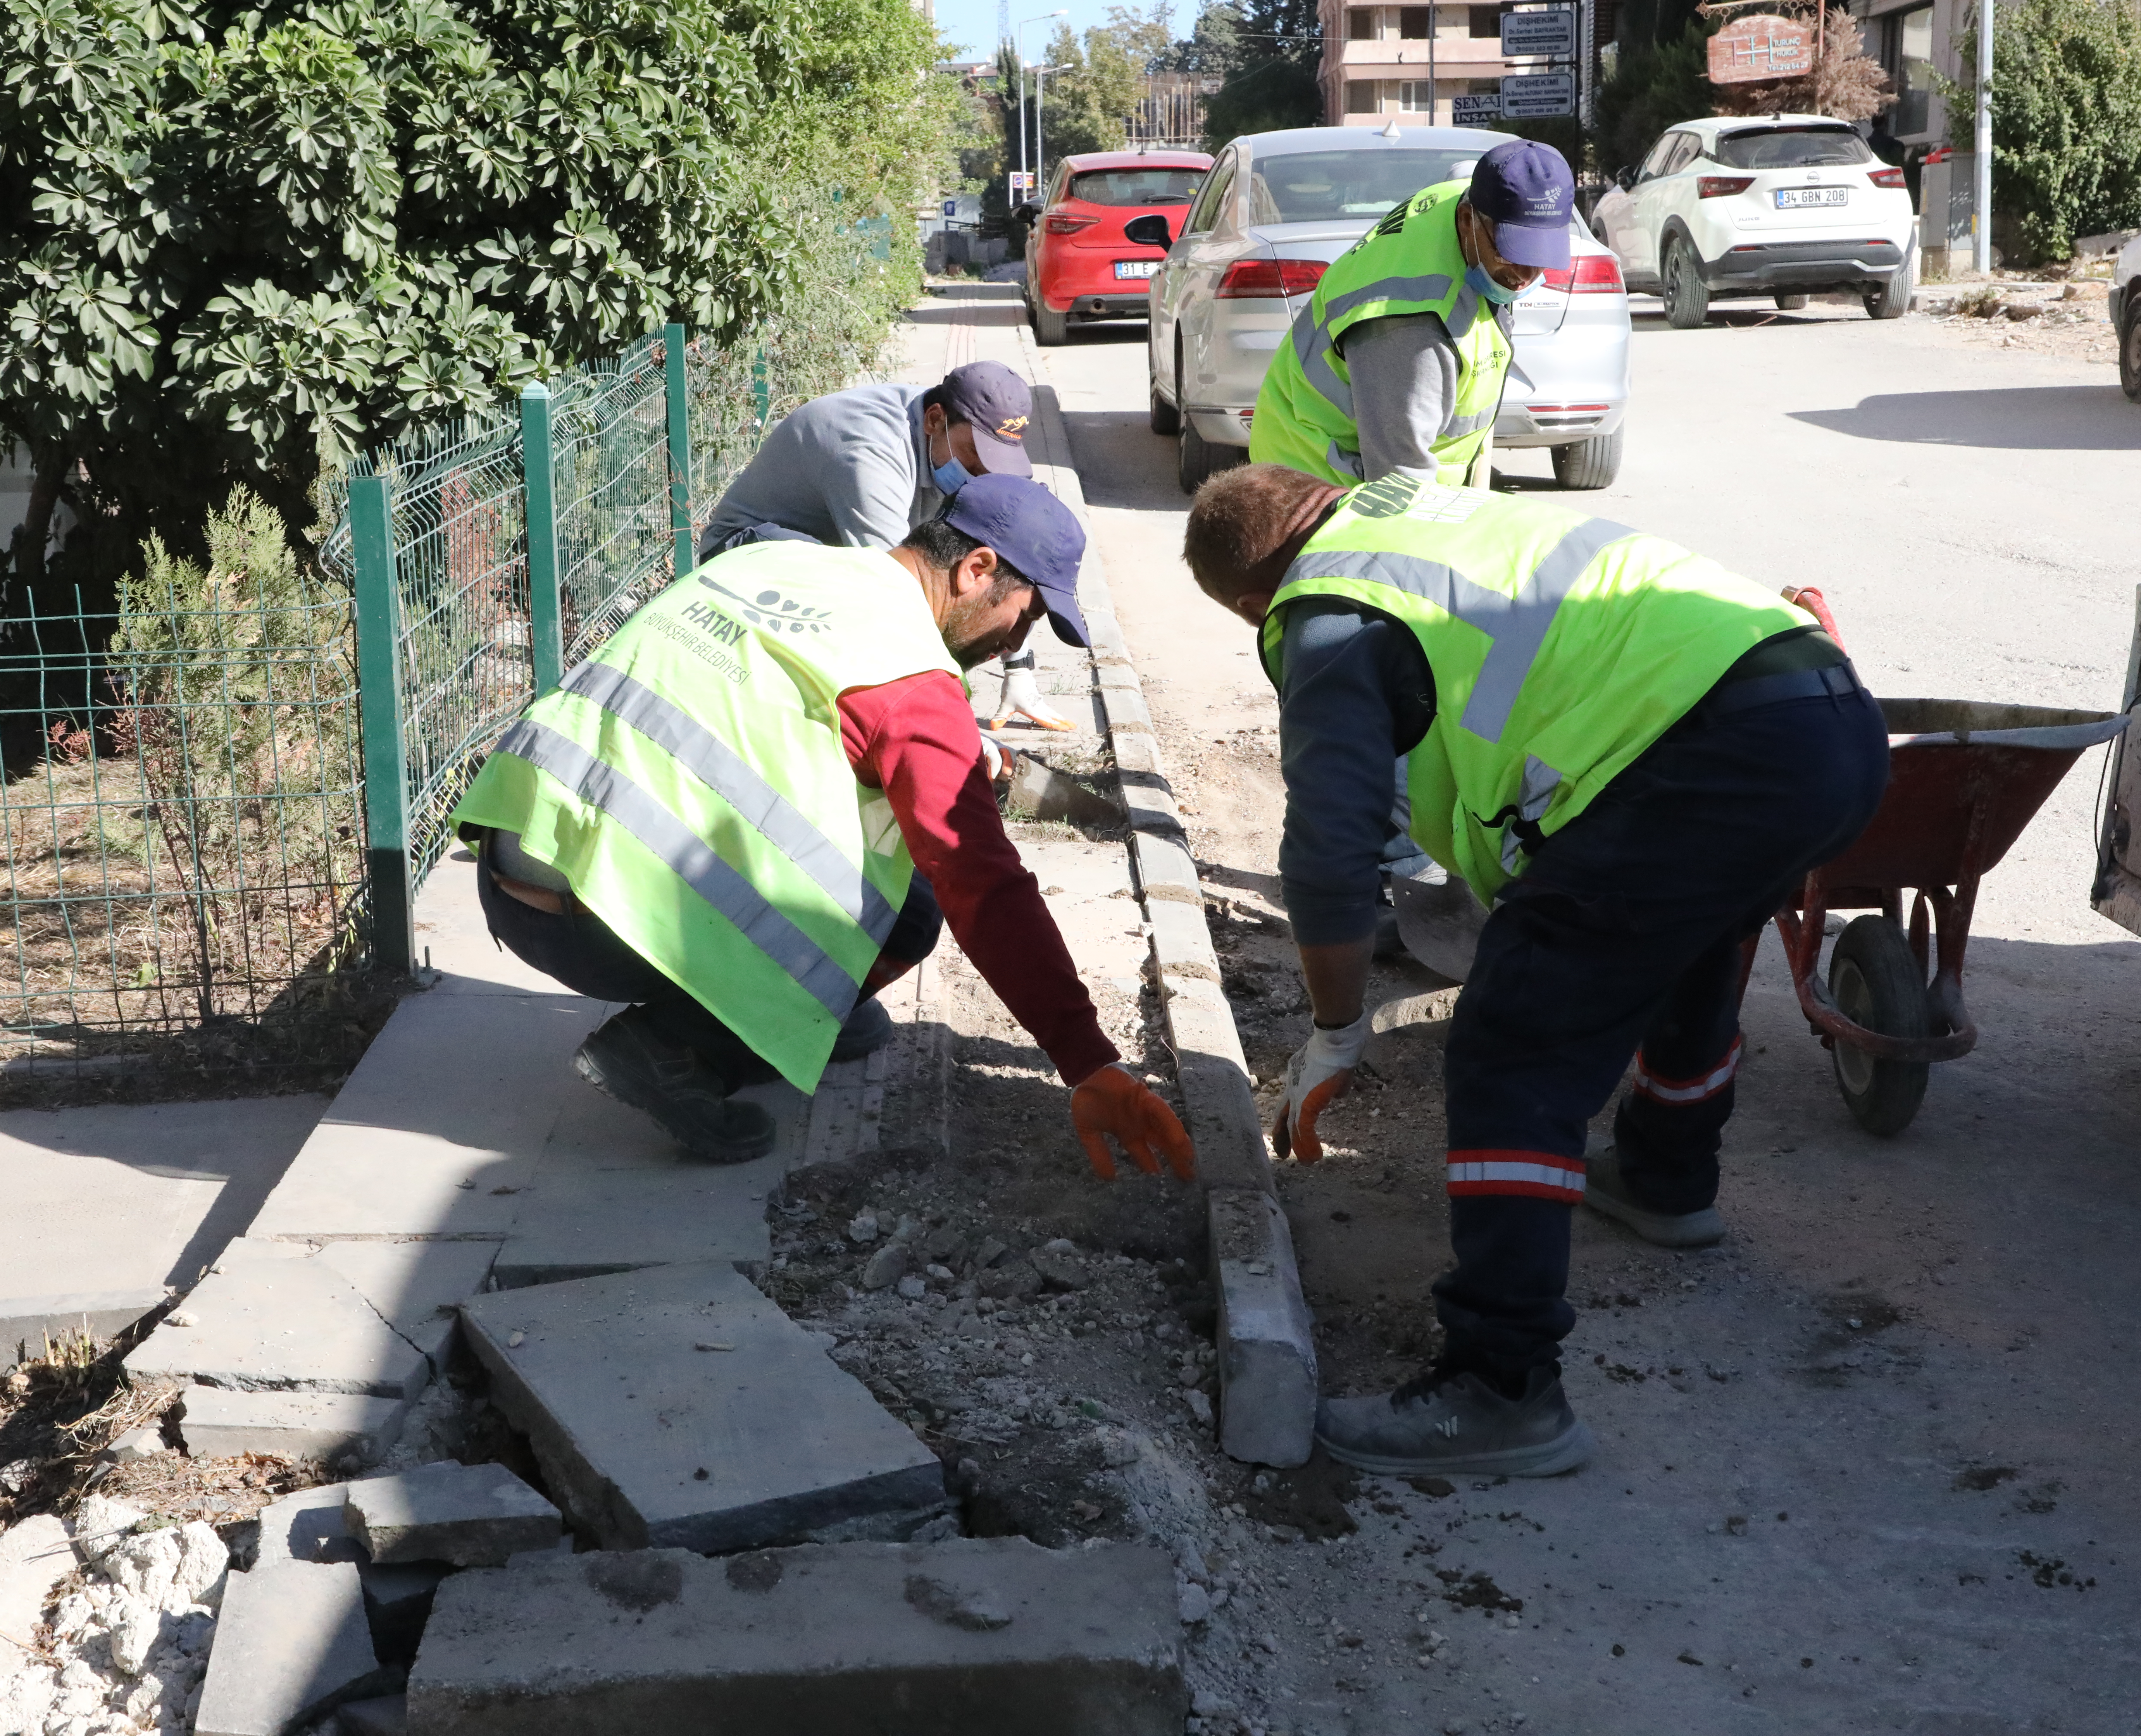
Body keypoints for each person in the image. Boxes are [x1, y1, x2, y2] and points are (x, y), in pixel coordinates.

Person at [1181, 463, 1889, 1478]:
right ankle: (1665, 1177)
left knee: (1514, 1042)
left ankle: (1501, 1387)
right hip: (1829, 716)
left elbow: (1330, 852)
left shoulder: (1329, 608)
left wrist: (1338, 1031)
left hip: (1709, 752)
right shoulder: (1417, 511)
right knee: (1680, 934)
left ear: (1255, 600)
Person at [453, 475, 1193, 1185]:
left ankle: (782, 1015)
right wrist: (1089, 1061)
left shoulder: (775, 559)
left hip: (510, 872)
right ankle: (678, 1047)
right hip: (604, 924)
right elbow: (985, 885)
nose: (1015, 642)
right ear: (976, 569)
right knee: (913, 912)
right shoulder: (910, 680)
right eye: (1026, 616)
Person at [702, 359, 1077, 735]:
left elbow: (1002, 567)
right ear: (935, 420)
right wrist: (949, 735)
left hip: (833, 551)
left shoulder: (943, 435)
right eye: (975, 457)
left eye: (996, 464)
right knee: (890, 614)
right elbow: (897, 595)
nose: (983, 476)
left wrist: (1018, 667)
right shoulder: (870, 451)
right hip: (743, 554)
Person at [1249, 138, 1576, 489]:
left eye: (1540, 256)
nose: (1526, 276)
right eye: (1511, 253)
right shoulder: (1410, 324)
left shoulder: (1465, 200)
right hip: (1325, 492)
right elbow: (1399, 485)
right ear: (1468, 221)